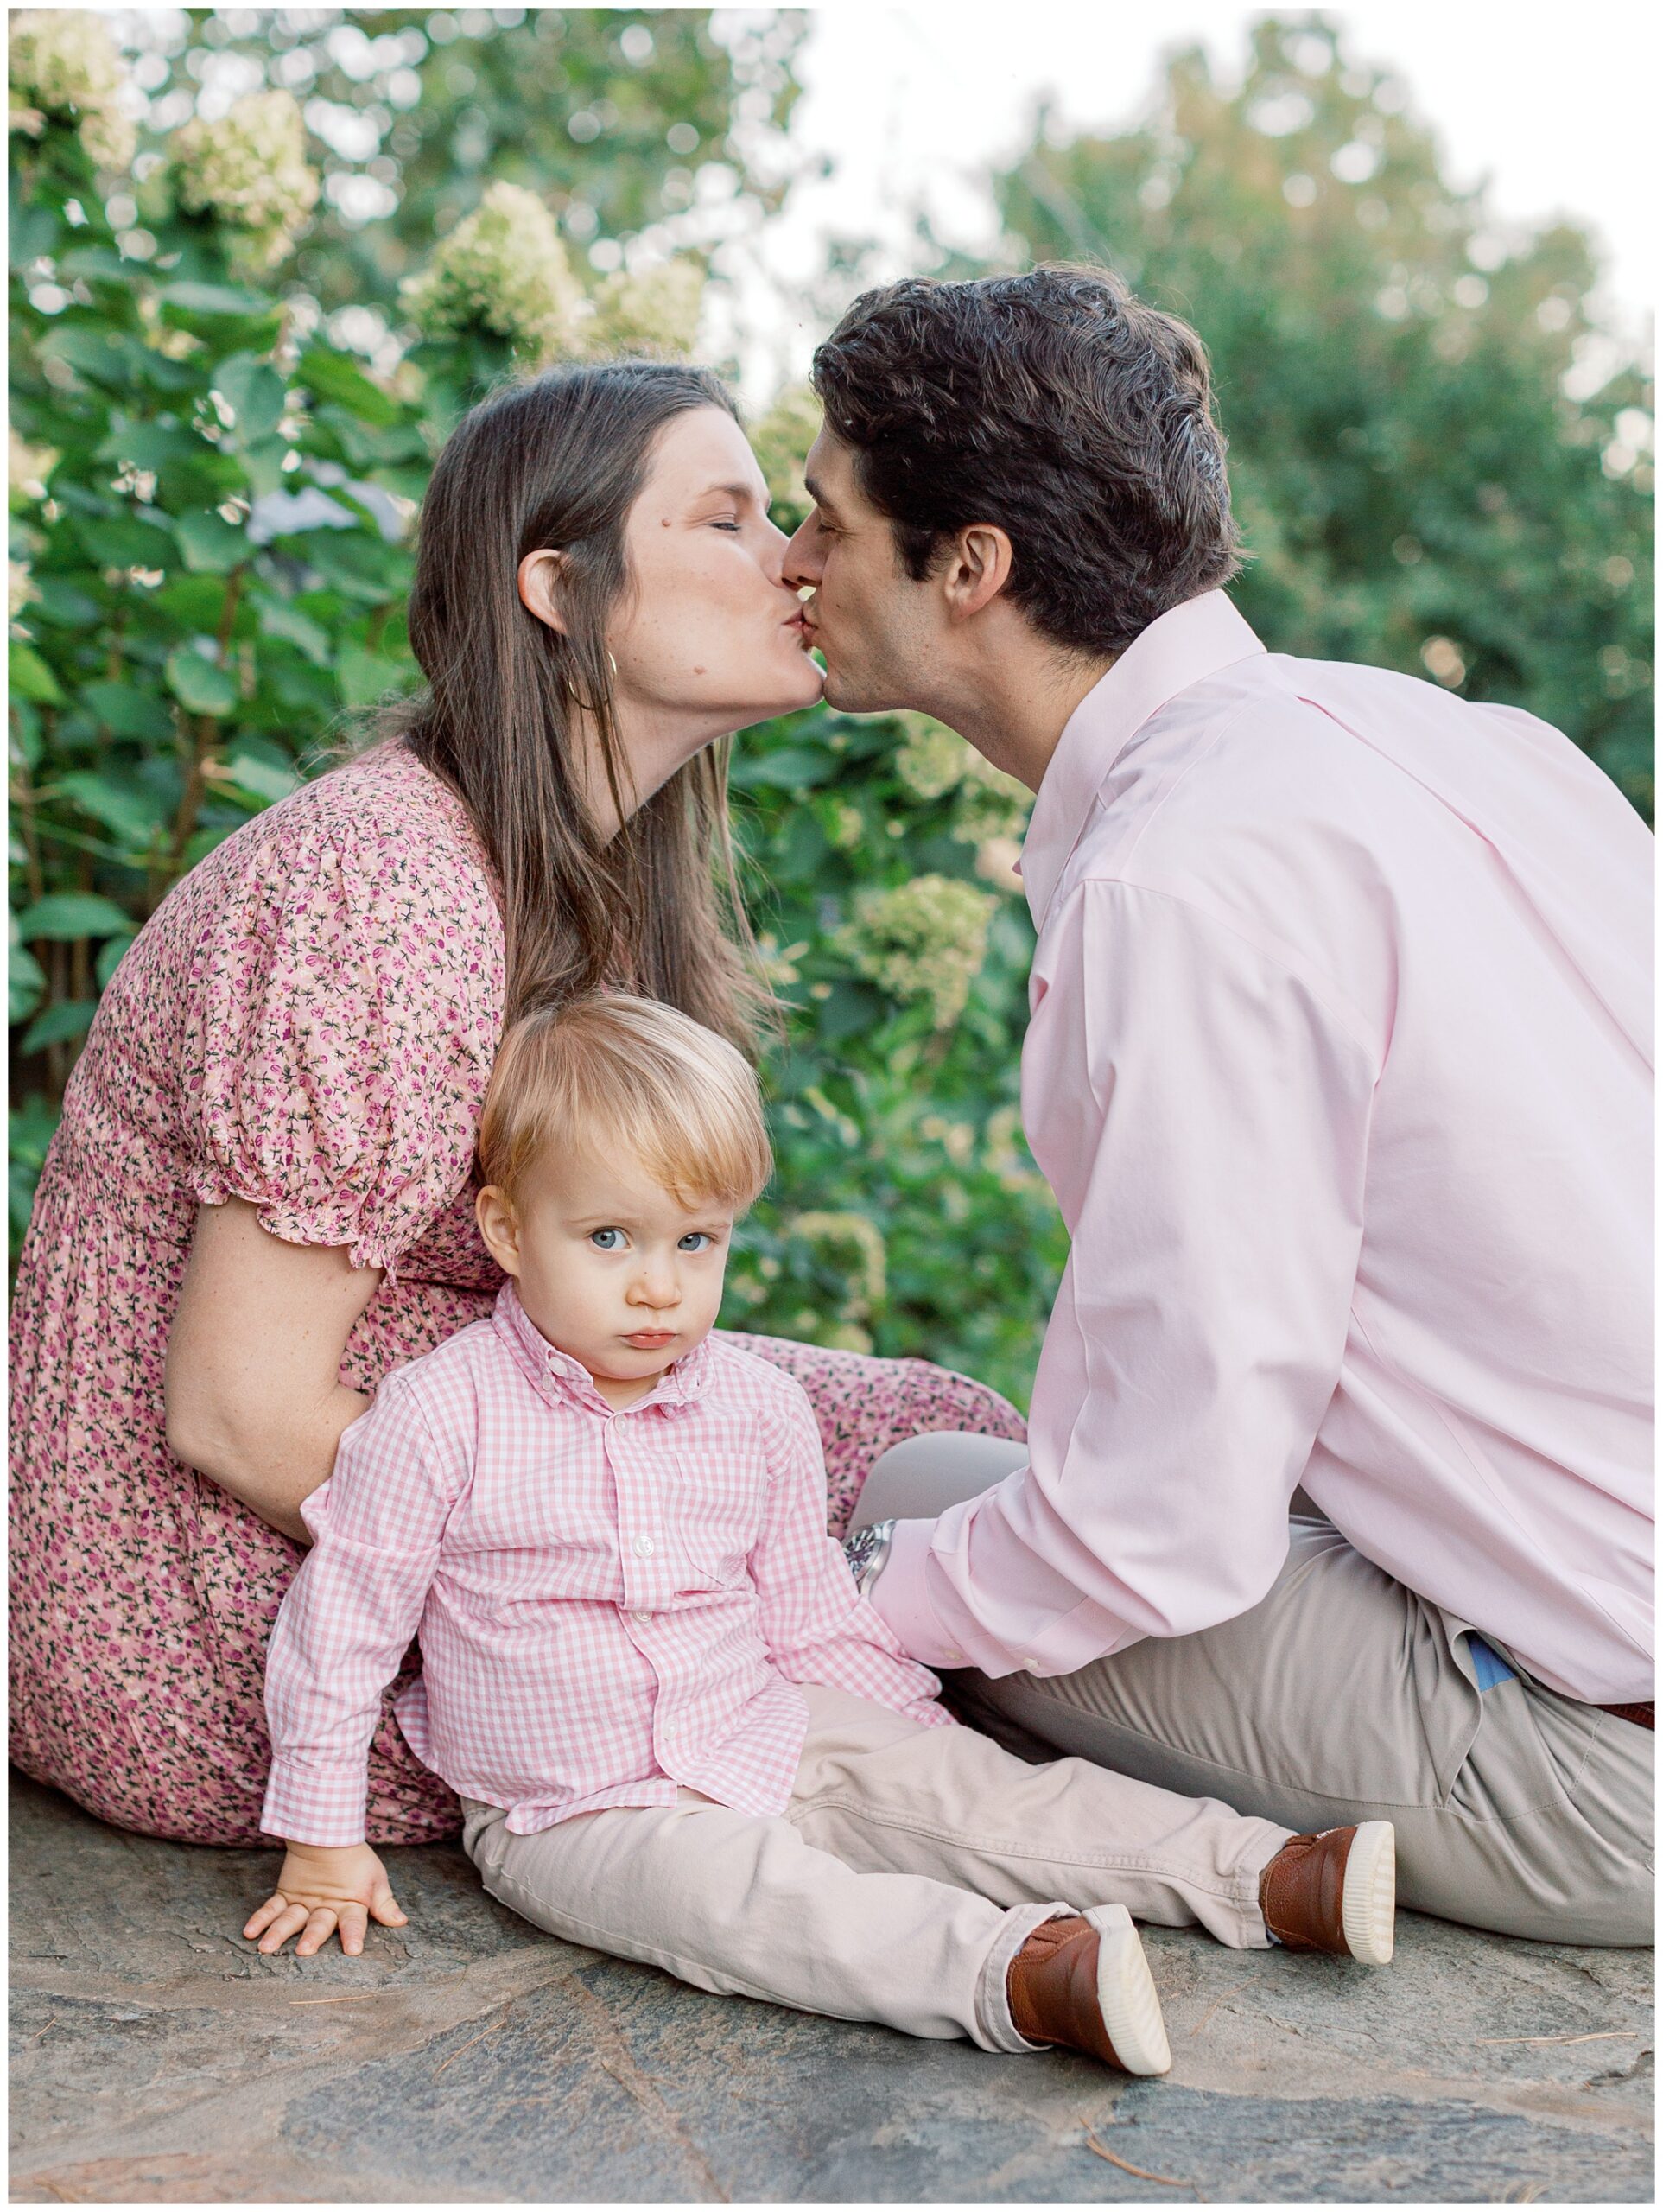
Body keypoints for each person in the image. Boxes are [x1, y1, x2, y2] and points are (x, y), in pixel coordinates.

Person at [8, 359, 1025, 1849]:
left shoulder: (576, 879)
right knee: (884, 1533)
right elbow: (237, 1411)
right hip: (198, 1623)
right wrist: (628, 1565)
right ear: (559, 588)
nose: (795, 561)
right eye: (728, 519)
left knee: (929, 1438)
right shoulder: (387, 883)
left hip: (461, 1428)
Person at [782, 266, 1653, 1947]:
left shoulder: (1179, 880)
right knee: (942, 1482)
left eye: (823, 518)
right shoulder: (1463, 742)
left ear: (970, 567)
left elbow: (1156, 1522)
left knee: (891, 1527)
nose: (790, 563)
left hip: (1599, 1768)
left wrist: (859, 1608)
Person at [244, 992, 1399, 2072]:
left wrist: (912, 1733)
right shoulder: (441, 1413)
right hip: (572, 1809)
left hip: (757, 1722)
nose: (658, 1288)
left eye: (695, 1243)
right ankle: (1027, 1972)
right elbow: (341, 1627)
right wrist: (322, 1836)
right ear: (505, 1229)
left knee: (975, 1796)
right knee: (747, 1903)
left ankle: (1268, 1875)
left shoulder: (753, 1409)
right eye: (609, 1239)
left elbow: (803, 1606)